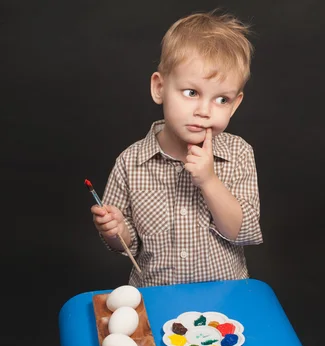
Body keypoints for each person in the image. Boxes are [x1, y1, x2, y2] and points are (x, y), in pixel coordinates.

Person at [91, 9, 263, 287]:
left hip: (224, 297)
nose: (205, 110)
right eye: (192, 93)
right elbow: (125, 244)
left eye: (222, 99)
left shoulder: (239, 154)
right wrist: (116, 230)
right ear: (159, 87)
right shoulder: (130, 162)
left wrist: (209, 181)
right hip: (156, 295)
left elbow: (241, 231)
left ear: (236, 103)